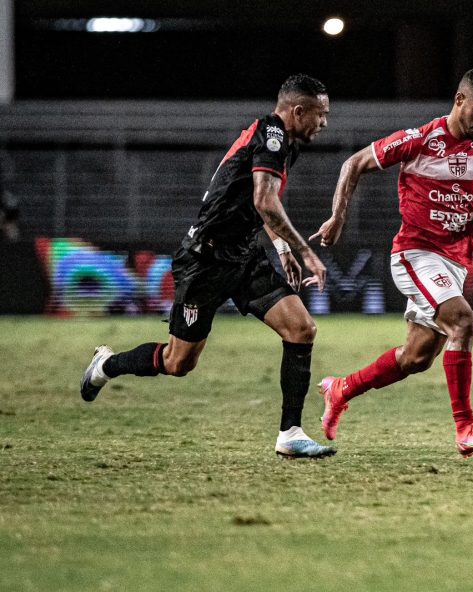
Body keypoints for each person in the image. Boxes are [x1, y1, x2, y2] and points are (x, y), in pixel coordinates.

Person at [79, 74, 336, 459]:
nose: (324, 123)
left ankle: (290, 433)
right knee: (177, 362)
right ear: (298, 111)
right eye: (321, 114)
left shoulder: (284, 143)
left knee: (301, 329)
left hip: (243, 255)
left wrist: (281, 247)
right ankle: (107, 365)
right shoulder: (273, 136)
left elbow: (258, 201)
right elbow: (266, 202)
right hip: (205, 260)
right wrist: (304, 251)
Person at [312, 68, 473, 457]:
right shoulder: (419, 140)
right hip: (415, 254)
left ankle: (341, 389)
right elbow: (352, 164)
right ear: (459, 101)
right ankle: (465, 428)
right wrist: (338, 216)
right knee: (464, 322)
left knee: (416, 358)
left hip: (454, 264)